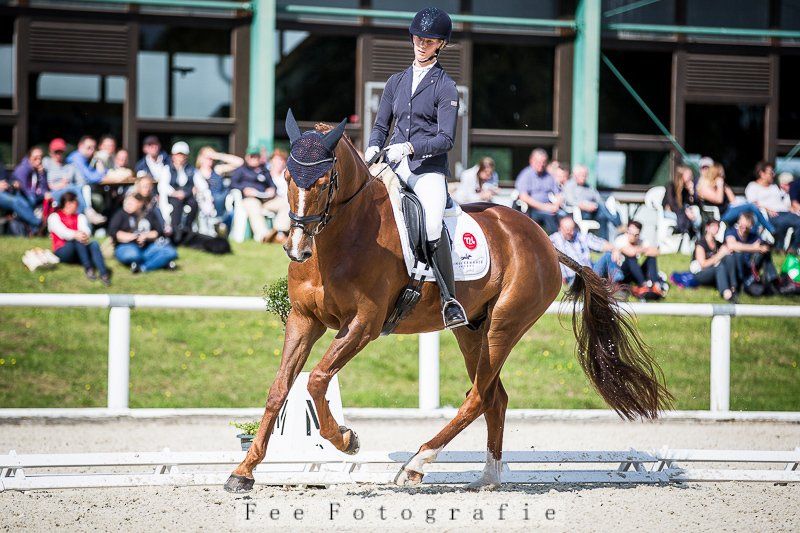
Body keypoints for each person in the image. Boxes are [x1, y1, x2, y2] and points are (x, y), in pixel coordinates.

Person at [363, 7, 466, 328]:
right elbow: (381, 126)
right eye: (419, 38)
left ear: (441, 45)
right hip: (392, 164)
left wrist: (410, 147)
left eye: (430, 40)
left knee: (432, 225)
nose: (422, 44)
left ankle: (449, 300)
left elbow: (446, 139)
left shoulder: (445, 87)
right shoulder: (395, 81)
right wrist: (373, 147)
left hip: (426, 169)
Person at [46, 191, 110, 285]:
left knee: (94, 244)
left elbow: (85, 230)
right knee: (77, 240)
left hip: (79, 248)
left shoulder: (80, 217)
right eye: (76, 203)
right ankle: (89, 268)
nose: (78, 205)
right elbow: (62, 232)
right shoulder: (54, 217)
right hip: (62, 250)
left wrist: (84, 235)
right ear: (68, 203)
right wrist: (76, 235)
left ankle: (104, 273)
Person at [230, 145, 289, 244]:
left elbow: (272, 185)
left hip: (266, 199)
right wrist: (244, 189)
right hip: (249, 199)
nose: (254, 159)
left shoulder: (264, 170)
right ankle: (264, 236)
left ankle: (279, 233)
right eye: (252, 156)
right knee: (253, 205)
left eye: (256, 156)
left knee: (286, 203)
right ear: (247, 157)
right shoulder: (241, 170)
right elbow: (232, 184)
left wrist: (272, 190)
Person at [108, 193, 178, 273]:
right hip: (127, 246)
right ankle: (159, 262)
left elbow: (157, 232)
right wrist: (134, 237)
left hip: (148, 248)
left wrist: (145, 236)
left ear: (140, 204)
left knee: (171, 252)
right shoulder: (120, 214)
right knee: (133, 255)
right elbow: (114, 233)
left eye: (131, 203)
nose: (127, 205)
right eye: (126, 202)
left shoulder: (149, 214)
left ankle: (143, 267)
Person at [697, 162, 774, 233]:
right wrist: (719, 185)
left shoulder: (722, 185)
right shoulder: (705, 187)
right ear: (715, 174)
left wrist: (725, 188)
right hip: (719, 216)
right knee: (751, 206)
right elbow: (719, 200)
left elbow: (733, 201)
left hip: (728, 211)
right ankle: (771, 230)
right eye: (720, 175)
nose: (723, 177)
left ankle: (753, 236)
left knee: (750, 213)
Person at [745, 161, 800, 253]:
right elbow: (753, 204)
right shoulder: (753, 186)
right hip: (770, 214)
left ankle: (793, 248)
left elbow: (784, 202)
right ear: (762, 174)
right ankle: (779, 247)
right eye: (771, 173)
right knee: (781, 223)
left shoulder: (774, 187)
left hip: (785, 212)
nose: (773, 175)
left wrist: (791, 207)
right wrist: (767, 210)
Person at [548, 216, 620, 285]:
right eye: (567, 230)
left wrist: (615, 250)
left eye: (572, 229)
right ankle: (600, 283)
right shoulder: (554, 240)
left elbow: (602, 244)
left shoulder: (581, 237)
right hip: (574, 278)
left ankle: (618, 283)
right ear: (560, 229)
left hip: (590, 272)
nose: (570, 232)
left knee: (609, 255)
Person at [606, 220, 664, 298]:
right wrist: (643, 249)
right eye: (630, 233)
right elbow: (630, 252)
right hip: (622, 274)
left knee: (651, 258)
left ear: (639, 234)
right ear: (627, 231)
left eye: (635, 235)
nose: (632, 237)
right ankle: (643, 285)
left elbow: (656, 251)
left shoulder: (642, 241)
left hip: (635, 272)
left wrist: (639, 249)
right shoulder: (621, 239)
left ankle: (656, 286)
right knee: (631, 258)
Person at [724, 211, 778, 294]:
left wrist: (764, 247)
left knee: (765, 253)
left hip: (750, 267)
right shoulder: (731, 232)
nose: (744, 228)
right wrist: (754, 248)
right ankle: (739, 284)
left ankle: (772, 280)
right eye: (742, 225)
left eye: (746, 227)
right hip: (737, 269)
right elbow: (732, 245)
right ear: (738, 222)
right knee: (738, 254)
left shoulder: (753, 236)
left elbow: (762, 246)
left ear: (751, 226)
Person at [563, 164, 621, 240]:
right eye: (581, 175)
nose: (584, 177)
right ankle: (616, 222)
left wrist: (593, 205)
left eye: (585, 175)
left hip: (593, 211)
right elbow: (569, 201)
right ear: (575, 175)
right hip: (579, 213)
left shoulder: (589, 187)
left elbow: (599, 199)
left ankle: (604, 242)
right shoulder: (570, 185)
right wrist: (583, 205)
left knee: (603, 216)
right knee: (602, 208)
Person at [515, 148, 563, 235]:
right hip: (532, 210)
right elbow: (524, 197)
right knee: (550, 218)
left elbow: (559, 193)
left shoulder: (549, 176)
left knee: (565, 217)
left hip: (550, 208)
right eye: (538, 162)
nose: (541, 164)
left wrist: (556, 205)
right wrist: (544, 207)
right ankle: (552, 241)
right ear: (531, 161)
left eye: (544, 162)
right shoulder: (526, 175)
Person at [194, 146, 243, 228]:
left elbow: (240, 162)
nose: (209, 160)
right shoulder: (196, 173)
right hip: (203, 205)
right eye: (207, 157)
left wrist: (216, 155)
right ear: (200, 158)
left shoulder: (217, 169)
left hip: (219, 204)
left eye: (211, 158)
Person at [692, 219, 737, 301]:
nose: (716, 228)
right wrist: (719, 255)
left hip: (714, 272)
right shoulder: (700, 243)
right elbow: (703, 265)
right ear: (707, 227)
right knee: (719, 267)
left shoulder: (717, 244)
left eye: (718, 226)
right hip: (700, 274)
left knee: (729, 258)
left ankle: (734, 288)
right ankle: (727, 294)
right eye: (714, 226)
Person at [165, 141, 199, 238]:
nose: (180, 158)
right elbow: (163, 186)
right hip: (172, 197)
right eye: (178, 155)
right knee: (177, 204)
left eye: (182, 155)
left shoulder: (191, 169)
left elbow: (197, 184)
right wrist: (175, 193)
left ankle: (187, 230)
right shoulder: (167, 169)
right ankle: (175, 232)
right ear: (173, 156)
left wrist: (186, 193)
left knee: (193, 204)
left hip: (187, 196)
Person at [663, 165, 700, 238]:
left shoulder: (685, 189)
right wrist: (685, 212)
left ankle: (689, 235)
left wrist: (691, 192)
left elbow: (692, 203)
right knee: (685, 218)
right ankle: (686, 234)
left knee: (695, 214)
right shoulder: (671, 186)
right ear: (681, 175)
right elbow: (672, 205)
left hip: (682, 212)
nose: (691, 178)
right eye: (688, 175)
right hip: (669, 212)